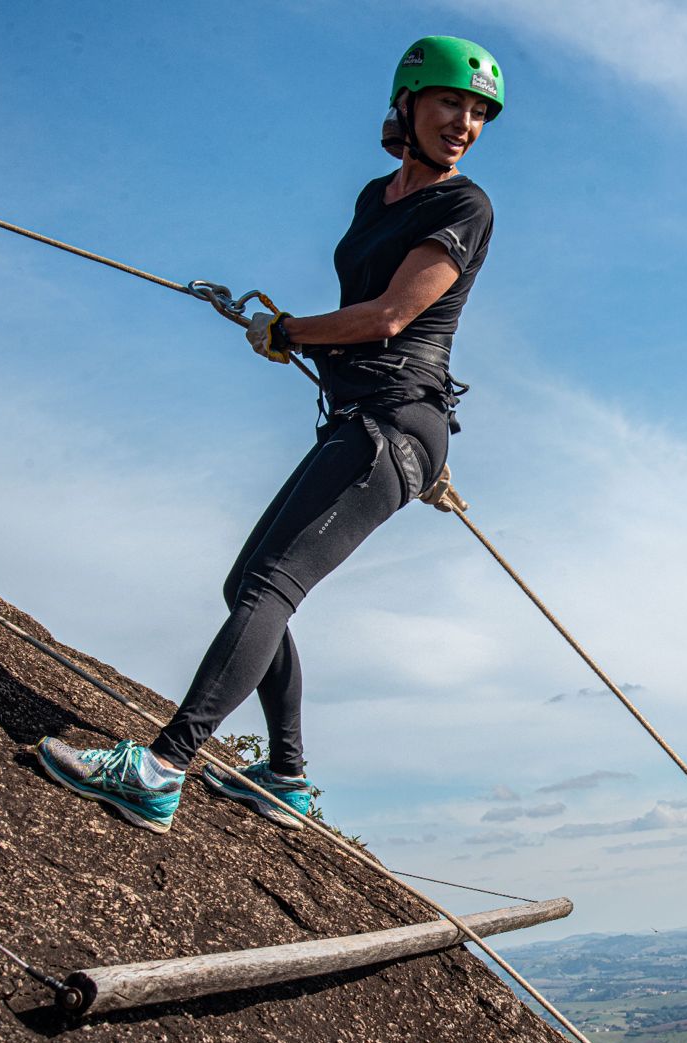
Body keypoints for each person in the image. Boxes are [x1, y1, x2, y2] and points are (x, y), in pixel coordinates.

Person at [35, 36, 504, 834]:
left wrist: (291, 331)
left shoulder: (465, 206)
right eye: (449, 102)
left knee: (268, 589)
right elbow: (363, 313)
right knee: (246, 588)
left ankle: (161, 769)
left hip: (396, 424)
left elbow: (393, 315)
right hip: (365, 419)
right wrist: (302, 339)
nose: (464, 123)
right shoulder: (376, 197)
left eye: (478, 113)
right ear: (408, 104)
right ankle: (285, 775)